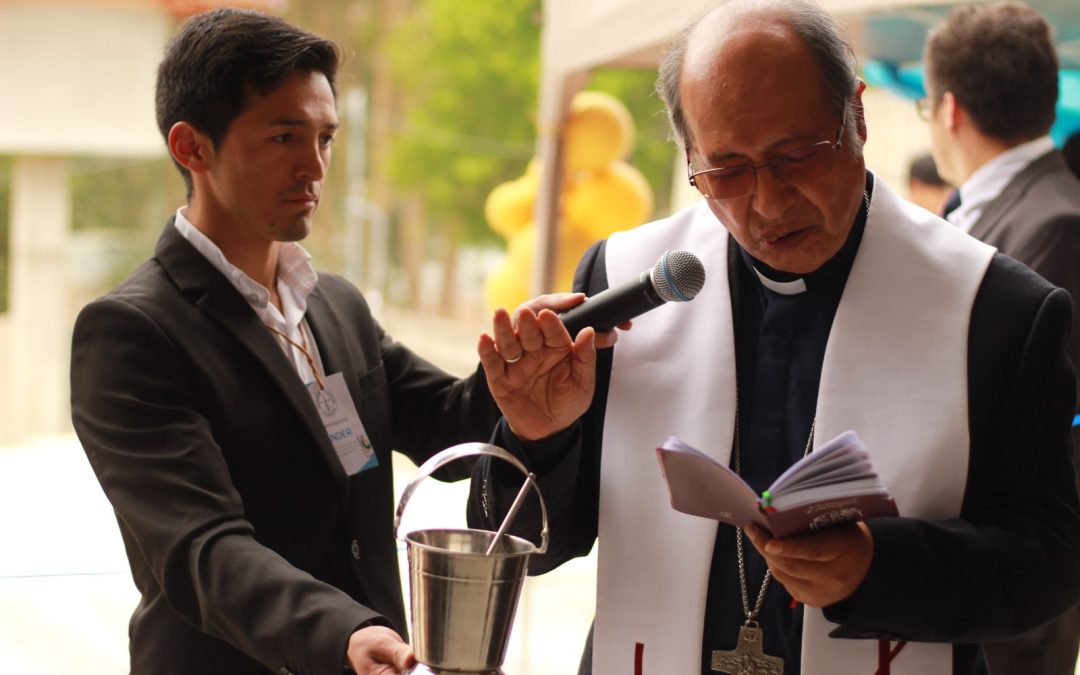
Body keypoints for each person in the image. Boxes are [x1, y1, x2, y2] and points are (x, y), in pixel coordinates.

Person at [467, 1, 1080, 673]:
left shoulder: (996, 309)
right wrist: (536, 435)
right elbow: (522, 545)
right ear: (689, 155)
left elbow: (1048, 561)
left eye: (795, 155)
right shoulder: (625, 282)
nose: (767, 203)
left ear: (858, 118)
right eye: (726, 170)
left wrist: (879, 564)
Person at [68, 9, 572, 674]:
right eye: (284, 136)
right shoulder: (133, 331)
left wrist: (523, 381)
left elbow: (452, 429)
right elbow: (203, 548)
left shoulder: (334, 303)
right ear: (191, 147)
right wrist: (343, 631)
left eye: (326, 138)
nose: (314, 166)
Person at [923, 5, 1080, 672]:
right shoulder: (976, 209)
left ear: (949, 109)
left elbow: (1036, 414)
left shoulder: (1057, 222)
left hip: (1011, 573)